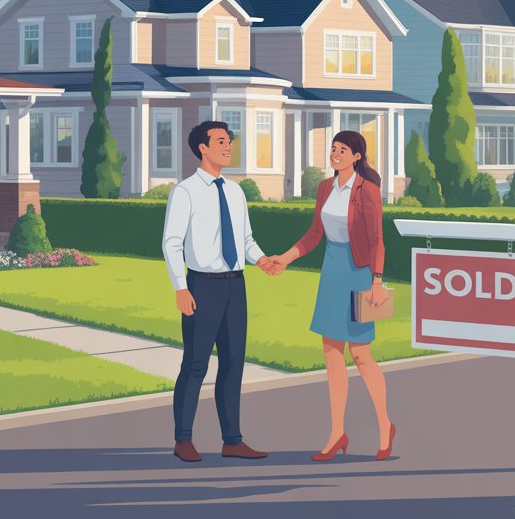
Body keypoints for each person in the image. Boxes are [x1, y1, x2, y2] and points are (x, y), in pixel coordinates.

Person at [269, 130, 396, 461]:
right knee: (331, 352)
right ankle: (337, 433)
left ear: (356, 156)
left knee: (361, 353)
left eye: (342, 150)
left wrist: (377, 281)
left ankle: (385, 426)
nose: (334, 154)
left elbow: (377, 239)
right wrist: (286, 257)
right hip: (332, 270)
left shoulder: (367, 190)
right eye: (333, 149)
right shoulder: (326, 188)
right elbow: (314, 234)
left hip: (358, 272)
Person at [161, 120, 278, 462]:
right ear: (203, 148)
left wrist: (262, 260)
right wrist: (180, 288)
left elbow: (245, 241)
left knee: (233, 364)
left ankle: (232, 439)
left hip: (234, 288)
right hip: (202, 286)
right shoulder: (185, 191)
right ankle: (183, 439)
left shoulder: (235, 191)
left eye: (230, 141)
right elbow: (171, 243)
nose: (229, 147)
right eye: (222, 141)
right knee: (196, 364)